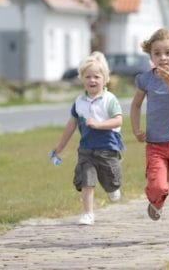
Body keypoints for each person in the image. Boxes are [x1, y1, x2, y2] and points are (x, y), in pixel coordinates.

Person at [130, 28, 169, 244]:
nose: (163, 57)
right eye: (157, 53)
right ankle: (156, 202)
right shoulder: (145, 79)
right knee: (158, 186)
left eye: (168, 52)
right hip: (156, 144)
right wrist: (136, 128)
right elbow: (136, 105)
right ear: (151, 56)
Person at [51, 51, 125, 225]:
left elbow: (118, 120)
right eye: (88, 76)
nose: (92, 80)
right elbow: (71, 125)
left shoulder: (109, 99)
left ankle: (112, 187)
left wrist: (99, 125)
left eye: (96, 77)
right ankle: (88, 213)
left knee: (112, 181)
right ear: (82, 78)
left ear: (104, 78)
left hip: (108, 148)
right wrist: (60, 146)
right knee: (87, 180)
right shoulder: (79, 102)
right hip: (86, 149)